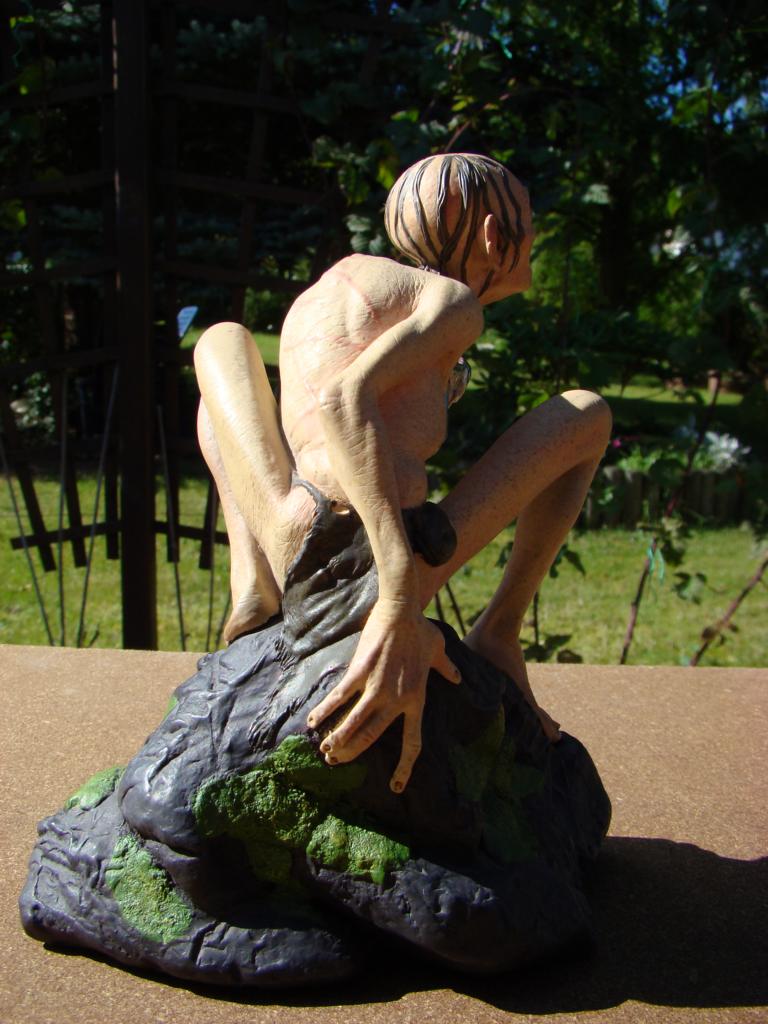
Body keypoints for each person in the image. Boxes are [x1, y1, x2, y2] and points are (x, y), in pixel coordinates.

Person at [193, 153, 612, 794]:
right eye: (528, 221)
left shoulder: (337, 285)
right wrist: (397, 602)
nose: (534, 235)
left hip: (289, 528)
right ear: (494, 234)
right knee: (587, 413)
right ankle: (499, 631)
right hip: (368, 559)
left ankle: (254, 581)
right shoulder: (452, 301)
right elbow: (344, 400)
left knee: (221, 340)